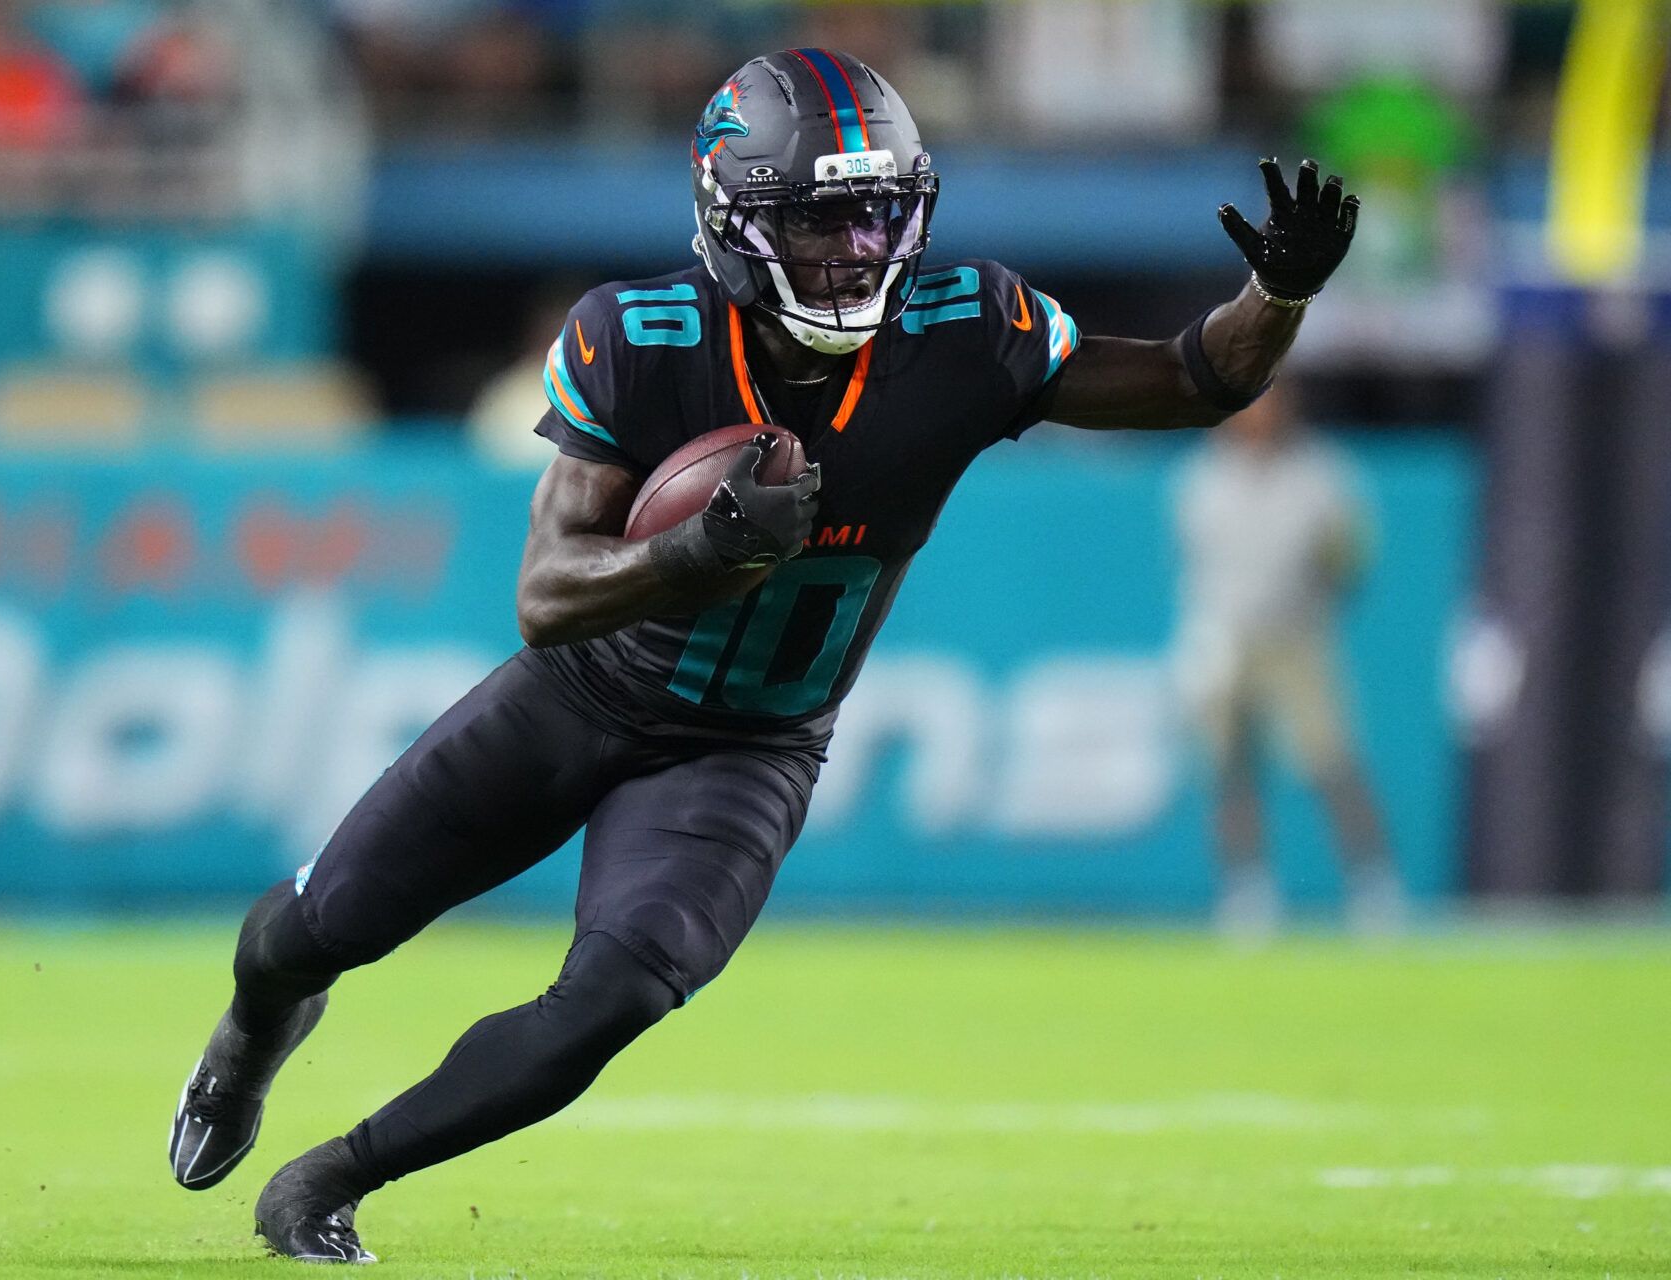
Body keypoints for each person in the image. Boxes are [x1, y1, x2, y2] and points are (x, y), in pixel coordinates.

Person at [167, 48, 1360, 1264]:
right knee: (310, 932)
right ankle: (254, 1033)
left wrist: (1280, 293)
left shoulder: (968, 329)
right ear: (731, 223)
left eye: (879, 214)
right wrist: (692, 552)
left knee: (611, 999)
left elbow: (1191, 378)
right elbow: (544, 594)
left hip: (751, 746)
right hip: (582, 694)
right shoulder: (639, 335)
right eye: (821, 221)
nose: (856, 251)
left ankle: (332, 1177)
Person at [1172, 383, 1399, 939]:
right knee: (1230, 770)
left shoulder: (1320, 475)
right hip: (1227, 638)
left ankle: (1374, 886)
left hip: (1296, 637)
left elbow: (1347, 558)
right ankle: (1246, 890)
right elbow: (1198, 570)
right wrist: (1202, 642)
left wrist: (1320, 597)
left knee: (1331, 761)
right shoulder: (1203, 478)